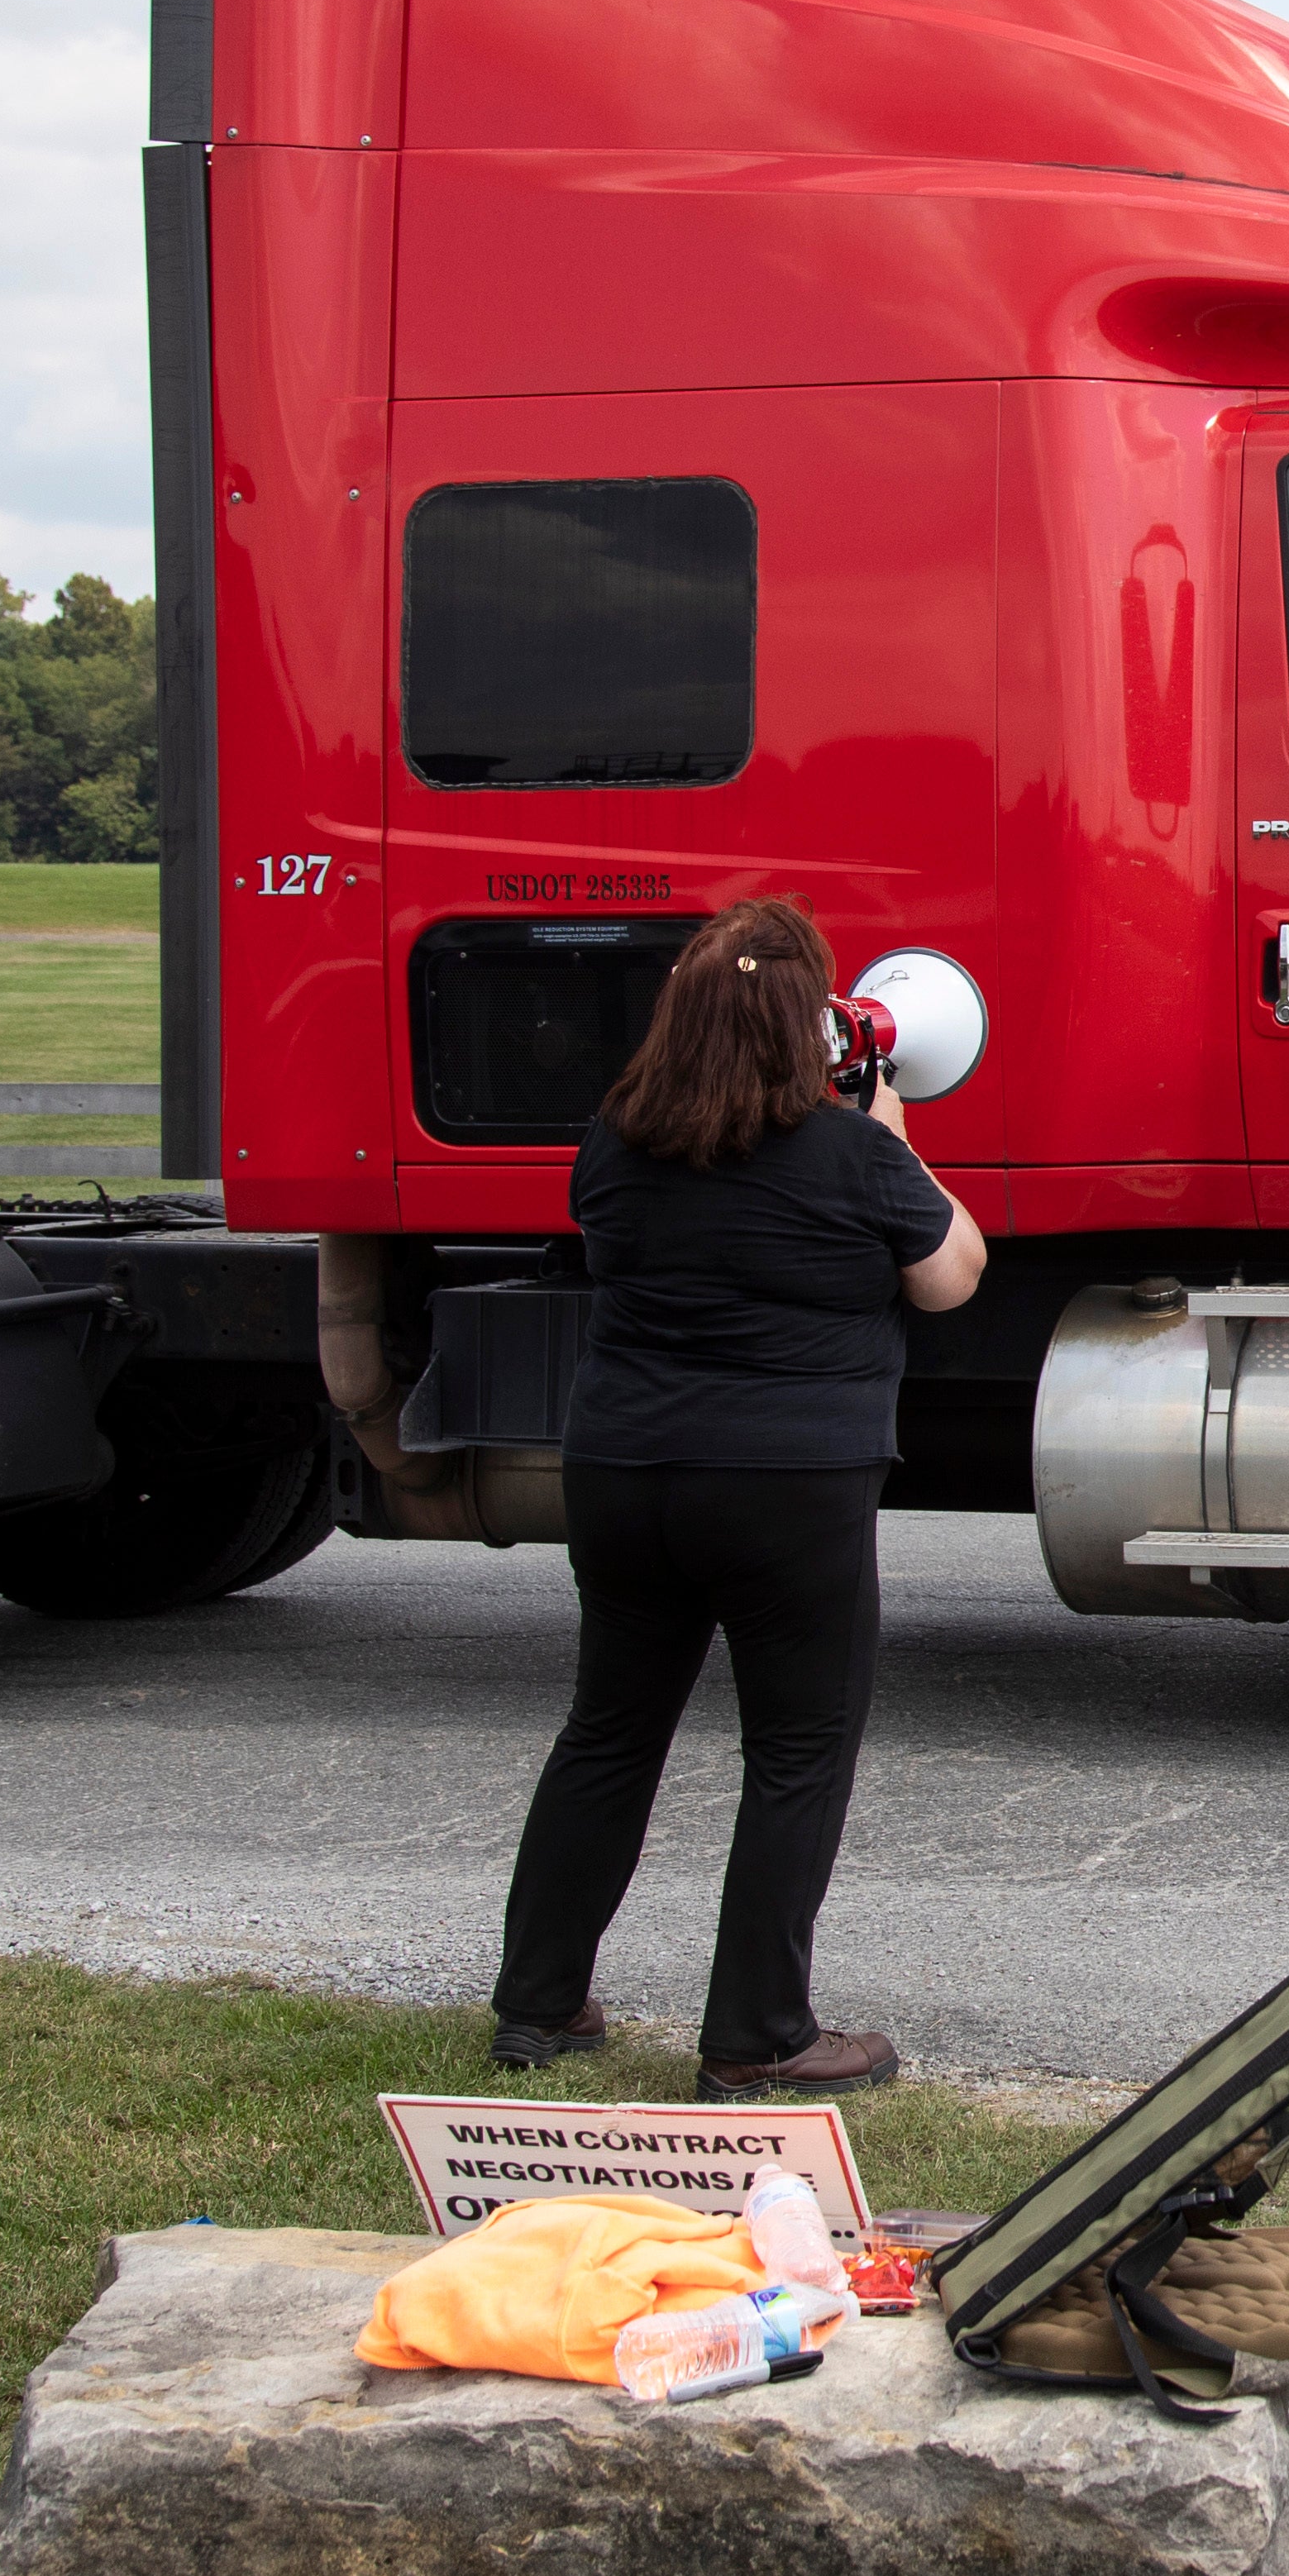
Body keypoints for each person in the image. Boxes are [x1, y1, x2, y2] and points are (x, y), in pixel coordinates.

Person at [488, 894, 985, 2096]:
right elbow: (953, 1276)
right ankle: (757, 2032)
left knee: (608, 1733)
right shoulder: (858, 1154)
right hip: (787, 1490)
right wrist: (894, 1131)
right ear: (804, 1028)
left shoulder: (610, 1140)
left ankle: (537, 2005)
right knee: (796, 1755)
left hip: (623, 1475)